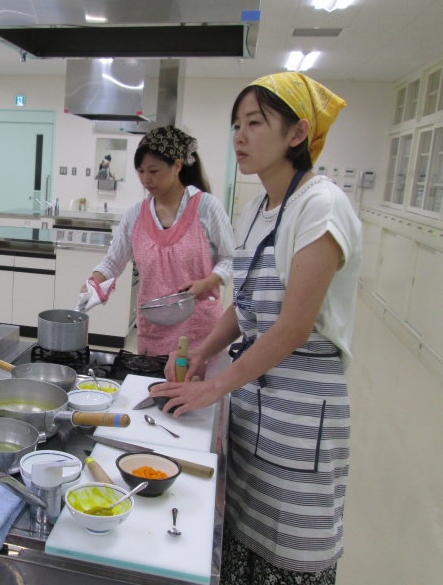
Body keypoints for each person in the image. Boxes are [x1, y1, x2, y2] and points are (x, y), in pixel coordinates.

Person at [154, 73, 361, 584]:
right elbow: (244, 305)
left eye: (254, 123)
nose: (239, 136)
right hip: (251, 400)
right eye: (236, 125)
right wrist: (203, 352)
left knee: (289, 551)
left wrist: (215, 386)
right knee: (241, 539)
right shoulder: (254, 210)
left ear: (298, 133)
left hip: (300, 409)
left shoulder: (321, 205)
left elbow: (294, 327)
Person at [83, 125, 234, 356]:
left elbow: (230, 258)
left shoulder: (205, 207)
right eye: (141, 171)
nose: (146, 179)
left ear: (177, 166)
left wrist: (205, 283)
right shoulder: (135, 215)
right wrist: (94, 281)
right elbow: (113, 261)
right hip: (154, 330)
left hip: (200, 330)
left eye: (153, 171)